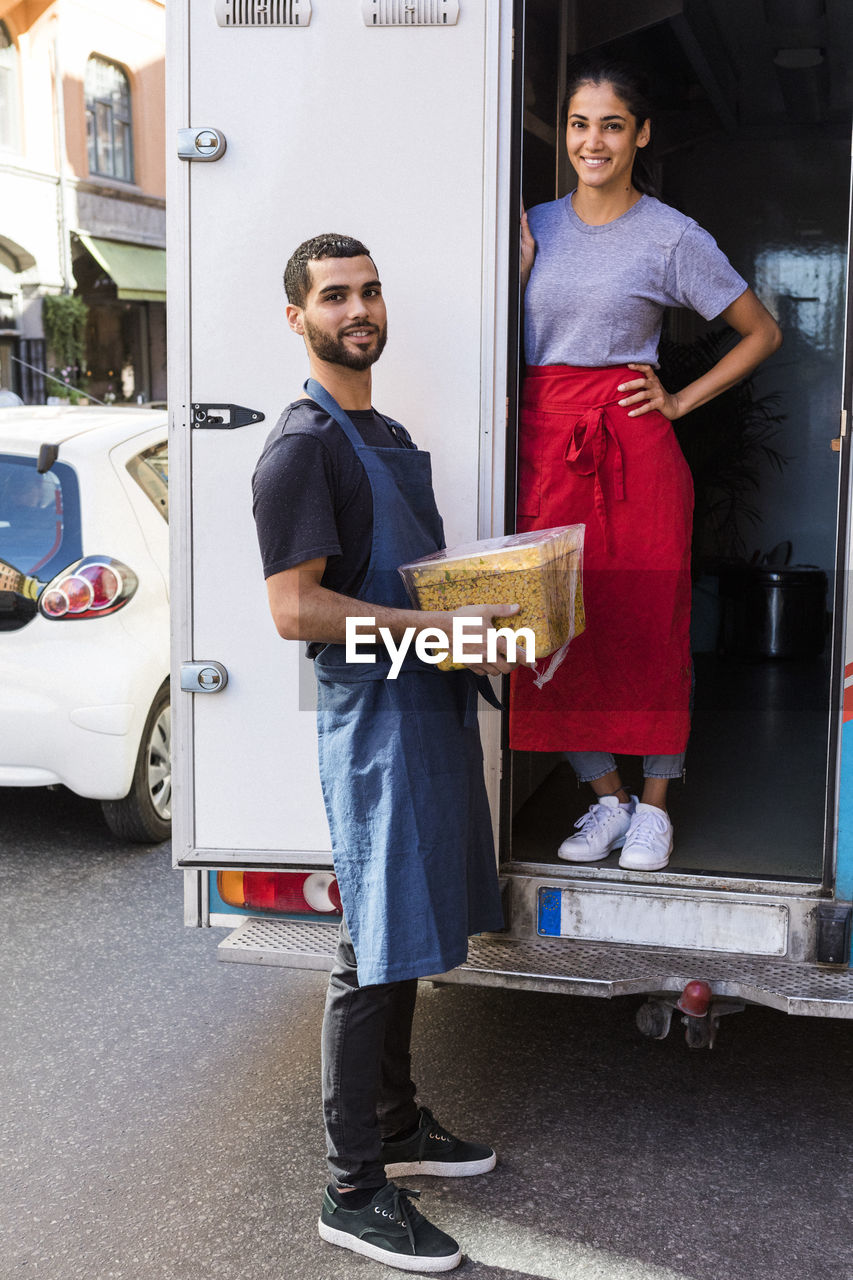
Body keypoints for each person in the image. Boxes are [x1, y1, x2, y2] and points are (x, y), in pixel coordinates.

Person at [252, 233, 524, 1272]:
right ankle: (351, 1184)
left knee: (404, 929)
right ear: (298, 318)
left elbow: (408, 586)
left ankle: (399, 1120)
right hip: (374, 718)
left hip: (427, 703)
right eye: (333, 295)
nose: (356, 308)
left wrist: (494, 616)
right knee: (370, 944)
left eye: (367, 290)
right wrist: (436, 635)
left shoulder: (384, 430)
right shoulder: (301, 446)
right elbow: (293, 609)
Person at [510, 55, 782, 871]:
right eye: (578, 124)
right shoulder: (531, 228)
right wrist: (513, 271)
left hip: (632, 453)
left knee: (647, 625)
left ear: (640, 136)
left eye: (611, 125)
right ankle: (607, 800)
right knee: (547, 627)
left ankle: (655, 807)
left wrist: (677, 401)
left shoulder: (669, 234)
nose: (591, 142)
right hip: (542, 446)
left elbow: (760, 331)